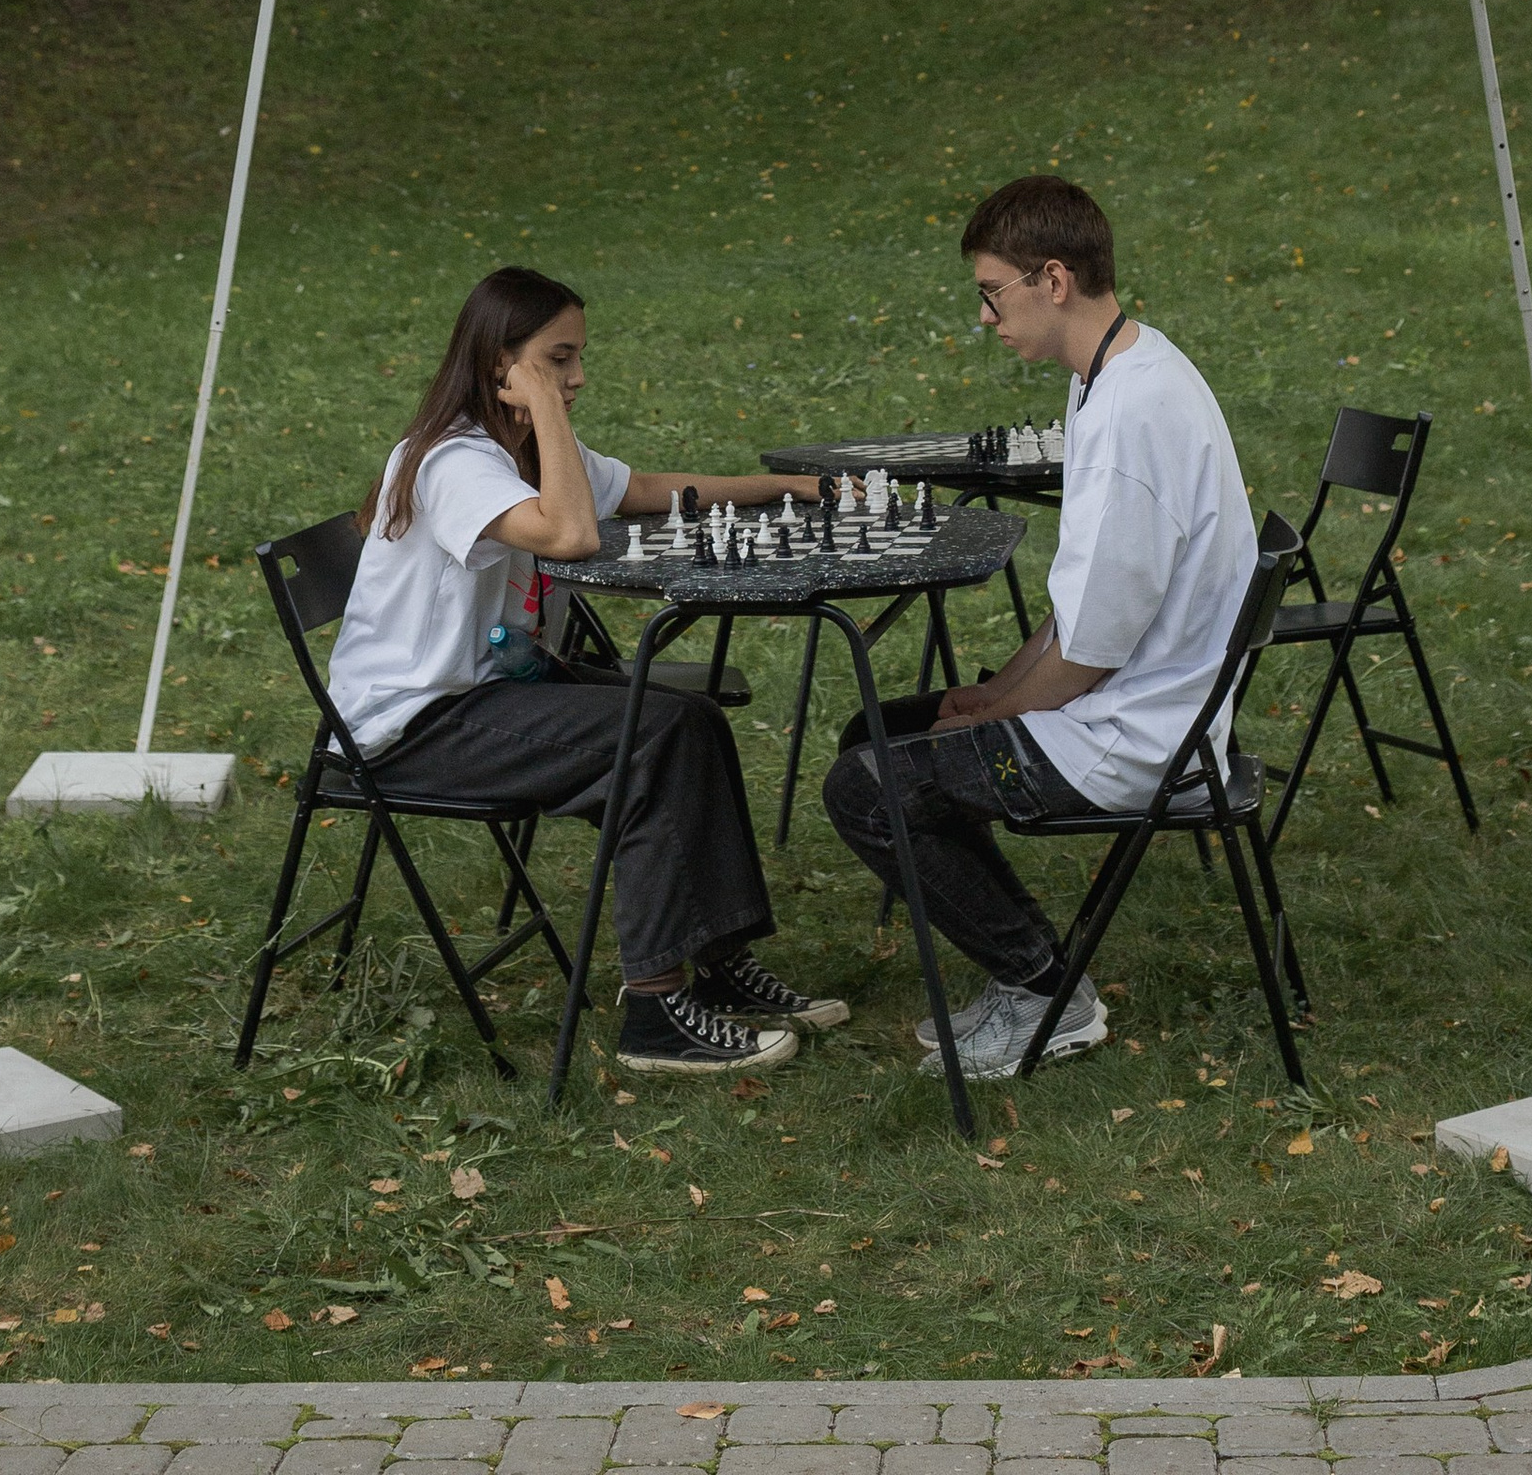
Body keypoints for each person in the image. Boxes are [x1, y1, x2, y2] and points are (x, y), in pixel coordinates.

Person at [328, 263, 845, 1076]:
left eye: (575, 360)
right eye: (558, 360)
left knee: (692, 718)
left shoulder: (522, 450)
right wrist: (538, 405)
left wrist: (778, 486)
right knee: (653, 737)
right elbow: (573, 534)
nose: (577, 378)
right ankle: (655, 1013)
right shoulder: (453, 462)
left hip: (492, 691)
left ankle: (715, 962)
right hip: (414, 727)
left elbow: (638, 489)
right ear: (503, 364)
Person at [820, 173, 1257, 1080]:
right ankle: (1029, 976)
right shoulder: (1116, 370)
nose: (986, 315)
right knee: (878, 734)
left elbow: (1090, 653)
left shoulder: (1133, 411)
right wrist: (989, 696)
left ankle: (1045, 990)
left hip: (1140, 734)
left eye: (993, 292)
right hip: (1130, 699)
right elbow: (1079, 611)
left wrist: (998, 713)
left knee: (867, 788)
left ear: (1051, 280)